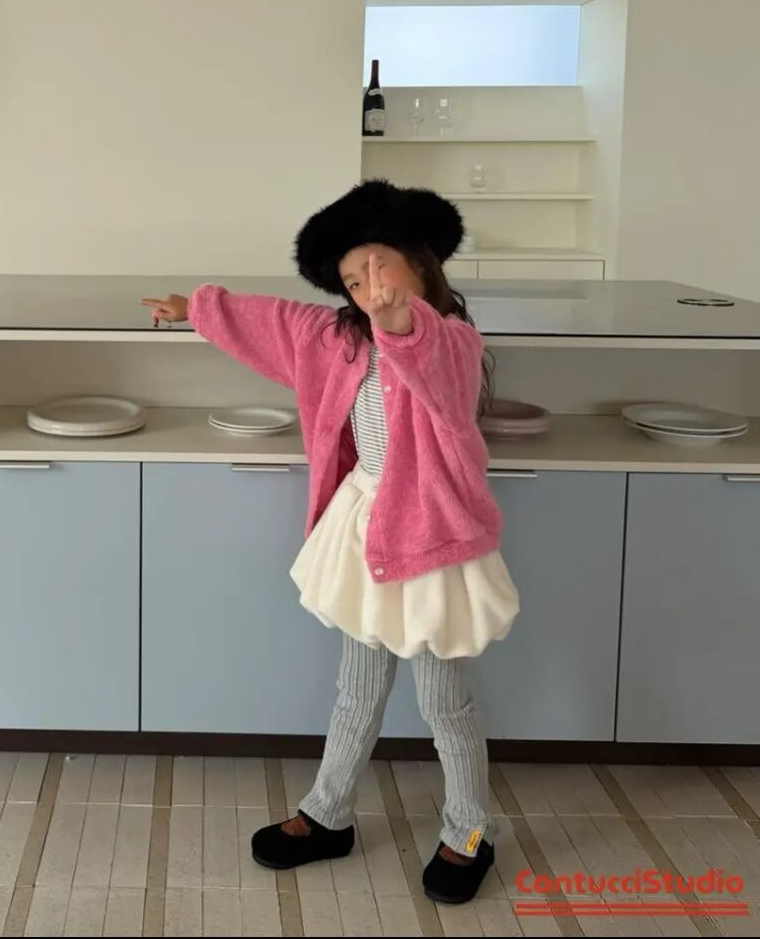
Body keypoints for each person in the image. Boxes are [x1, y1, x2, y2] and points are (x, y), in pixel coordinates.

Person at [141, 179, 519, 905]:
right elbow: (274, 321)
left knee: (444, 700)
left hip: (432, 539)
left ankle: (472, 828)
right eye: (352, 280)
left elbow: (432, 363)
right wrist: (197, 307)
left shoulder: (453, 340)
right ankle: (327, 814)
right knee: (357, 689)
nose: (367, 287)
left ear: (419, 262)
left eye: (378, 267)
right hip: (366, 528)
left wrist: (401, 322)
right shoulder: (337, 338)